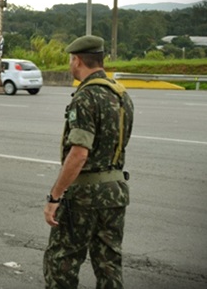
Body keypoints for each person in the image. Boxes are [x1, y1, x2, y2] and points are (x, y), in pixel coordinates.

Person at [43, 35, 134, 288]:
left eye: (71, 60)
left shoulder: (85, 97)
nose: (70, 65)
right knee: (109, 264)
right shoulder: (121, 95)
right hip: (115, 191)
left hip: (84, 195)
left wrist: (55, 196)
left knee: (61, 261)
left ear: (78, 60)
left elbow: (79, 153)